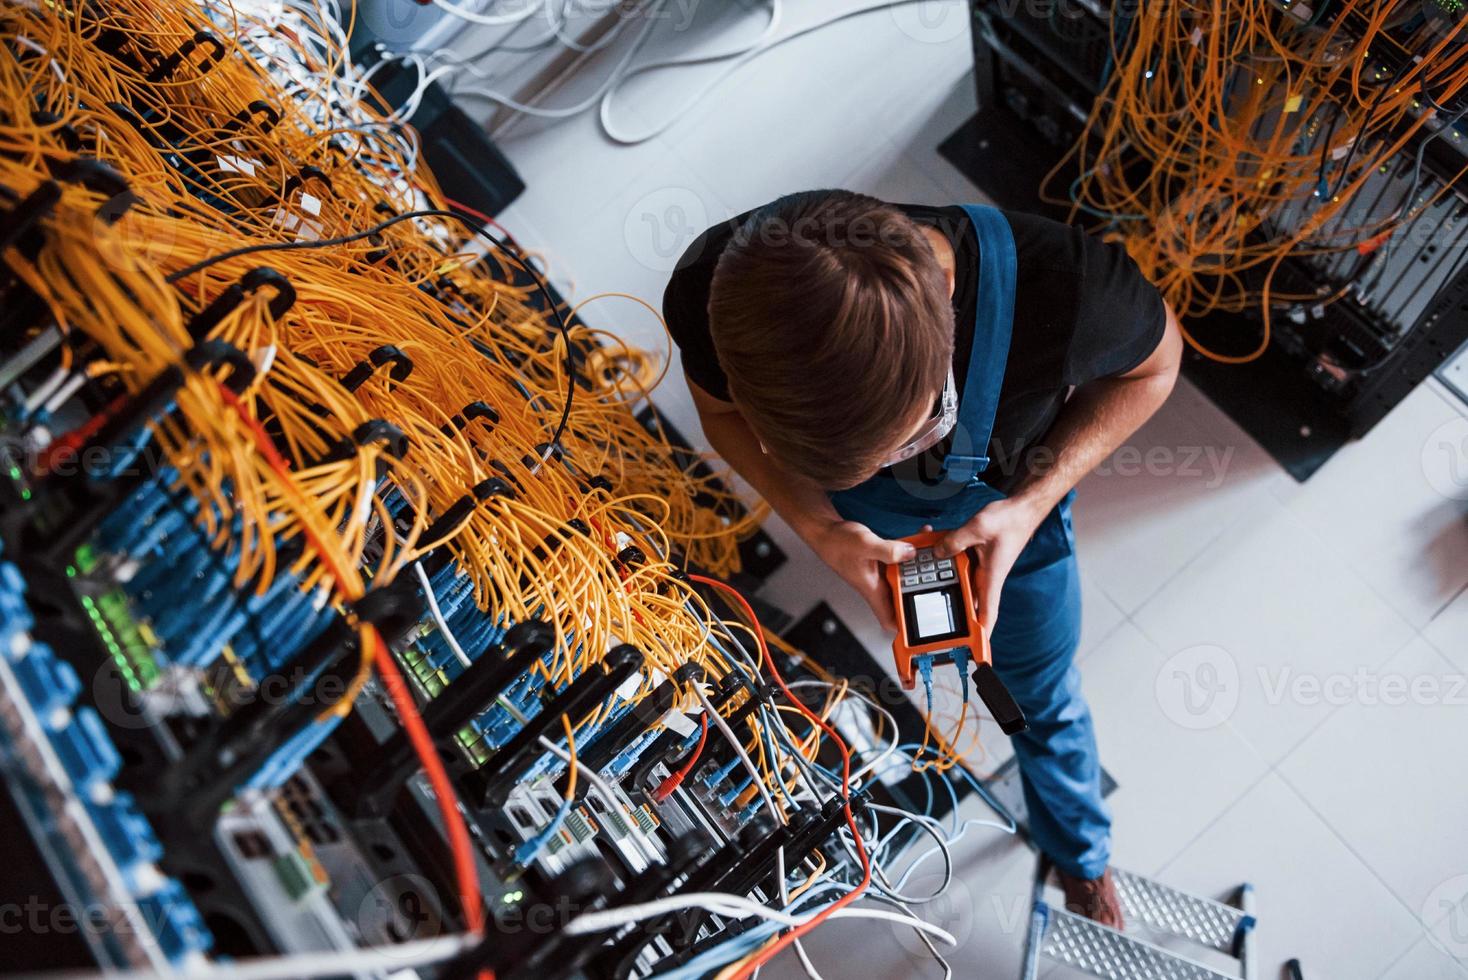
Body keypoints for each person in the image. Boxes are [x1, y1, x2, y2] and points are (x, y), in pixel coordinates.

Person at [662, 190, 1182, 925]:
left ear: (944, 297)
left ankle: (1081, 855)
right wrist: (820, 523)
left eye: (911, 436)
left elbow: (1157, 370)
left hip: (1012, 511)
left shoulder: (1069, 289)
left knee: (1039, 700)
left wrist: (1028, 506)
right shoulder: (711, 291)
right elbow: (720, 416)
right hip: (864, 526)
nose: (892, 464)